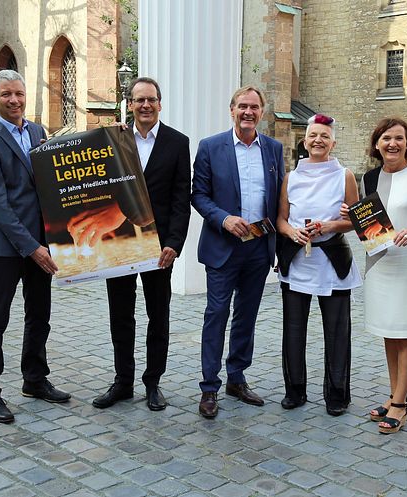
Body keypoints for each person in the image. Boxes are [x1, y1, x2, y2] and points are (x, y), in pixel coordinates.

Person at [0, 69, 71, 424]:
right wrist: (32, 247)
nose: (14, 100)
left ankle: (34, 379)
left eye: (19, 94)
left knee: (39, 314)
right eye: (7, 95)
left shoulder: (36, 132)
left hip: (41, 242)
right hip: (7, 246)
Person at [91, 77, 191, 412]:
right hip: (118, 240)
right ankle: (122, 381)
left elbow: (181, 199)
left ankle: (153, 383)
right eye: (139, 100)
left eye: (151, 100)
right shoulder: (112, 140)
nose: (145, 105)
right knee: (120, 314)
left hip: (160, 247)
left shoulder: (178, 143)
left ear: (159, 103)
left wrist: (175, 243)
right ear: (130, 105)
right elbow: (97, 187)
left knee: (157, 315)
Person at [191, 85, 284, 418]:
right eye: (242, 106)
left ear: (261, 112)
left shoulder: (273, 149)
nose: (248, 112)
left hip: (259, 247)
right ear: (231, 110)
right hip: (223, 247)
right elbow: (199, 195)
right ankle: (209, 387)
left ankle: (237, 378)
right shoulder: (210, 147)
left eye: (254, 107)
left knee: (246, 316)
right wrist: (224, 219)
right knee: (216, 315)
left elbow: (280, 197)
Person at [276, 114, 362, 416]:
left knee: (337, 332)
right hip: (297, 259)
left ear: (333, 143)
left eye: (324, 136)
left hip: (333, 261)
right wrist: (291, 232)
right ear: (305, 140)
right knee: (294, 329)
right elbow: (281, 219)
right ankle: (294, 389)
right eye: (313, 135)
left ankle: (337, 393)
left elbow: (355, 221)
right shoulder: (291, 177)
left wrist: (329, 225)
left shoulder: (345, 176)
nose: (318, 141)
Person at [357, 117, 407, 434]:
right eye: (386, 138)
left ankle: (401, 404)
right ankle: (394, 396)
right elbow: (371, 224)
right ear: (377, 144)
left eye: (399, 138)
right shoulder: (369, 177)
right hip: (381, 263)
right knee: (389, 332)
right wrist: (351, 217)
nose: (393, 143)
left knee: (406, 332)